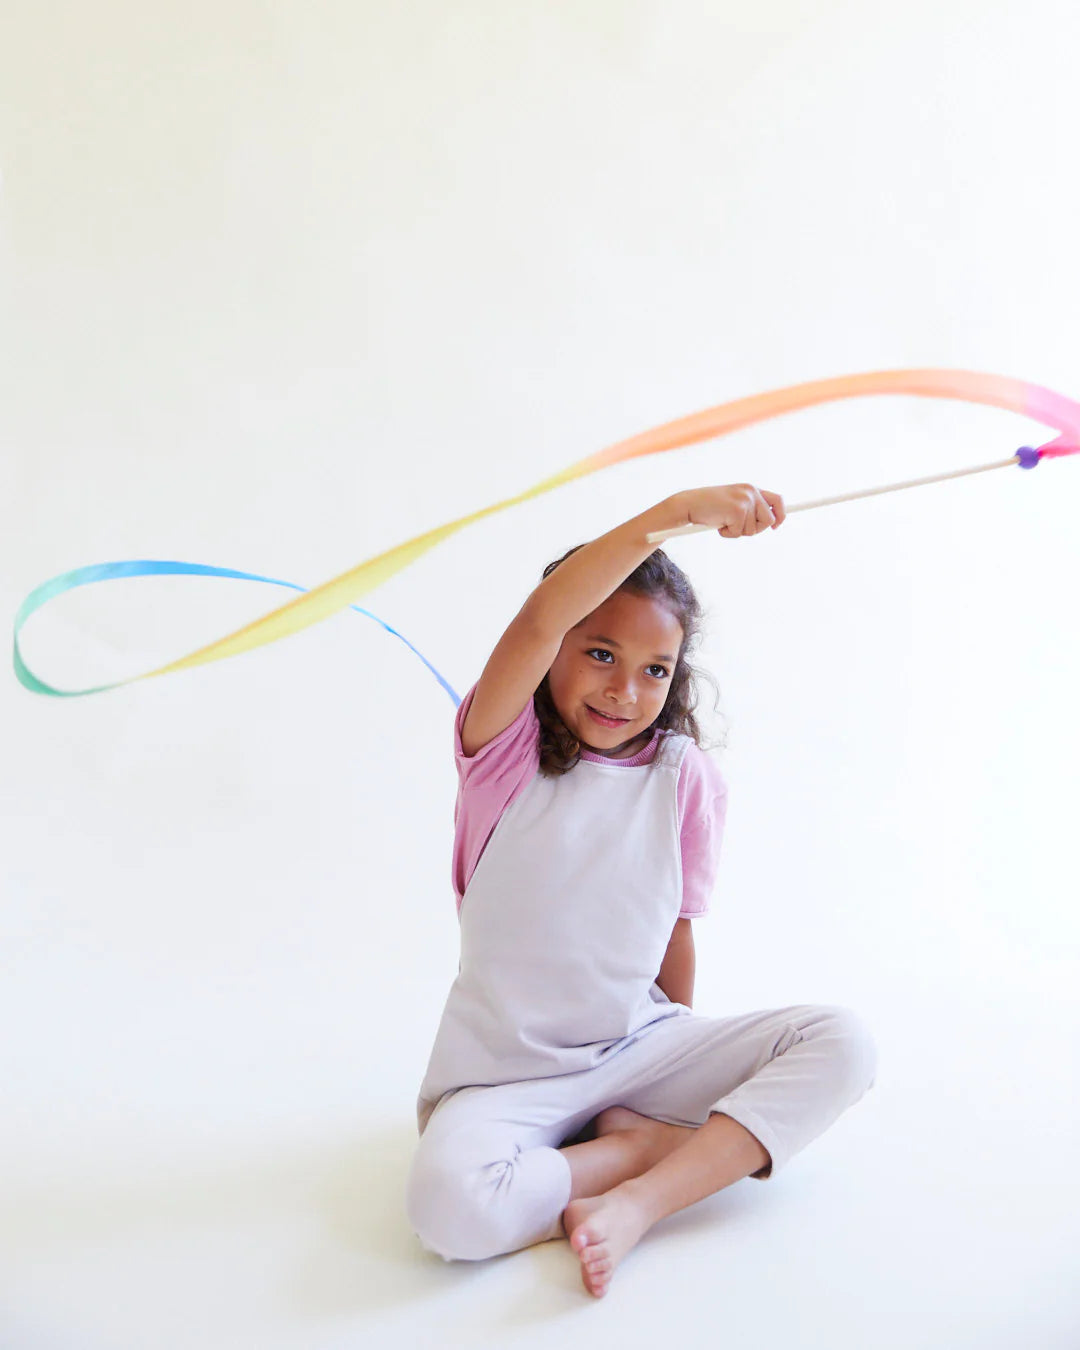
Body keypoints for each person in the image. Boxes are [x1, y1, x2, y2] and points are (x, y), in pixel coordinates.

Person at [405, 483, 877, 1298]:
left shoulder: (683, 775)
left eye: (655, 669)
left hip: (636, 1045)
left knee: (845, 1042)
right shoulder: (501, 755)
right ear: (554, 651)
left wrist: (679, 1069)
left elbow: (674, 930)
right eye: (599, 654)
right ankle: (631, 1149)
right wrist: (681, 512)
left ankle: (639, 1199)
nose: (626, 690)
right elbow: (540, 616)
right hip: (503, 1076)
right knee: (448, 1209)